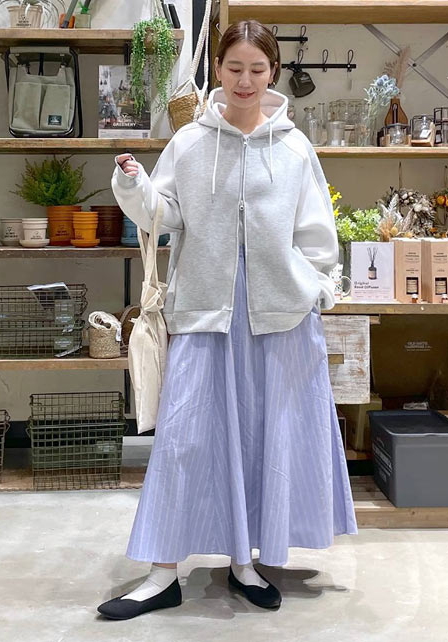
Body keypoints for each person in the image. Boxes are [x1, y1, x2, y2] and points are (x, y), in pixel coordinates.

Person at [97, 19, 358, 621]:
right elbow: (163, 215)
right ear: (217, 69)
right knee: (185, 439)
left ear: (273, 73)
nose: (245, 80)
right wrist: (134, 185)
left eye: (257, 69)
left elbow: (316, 232)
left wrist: (320, 288)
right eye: (234, 68)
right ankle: (162, 573)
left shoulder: (295, 147)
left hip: (280, 317)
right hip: (205, 310)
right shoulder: (190, 143)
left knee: (263, 439)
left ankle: (245, 561)